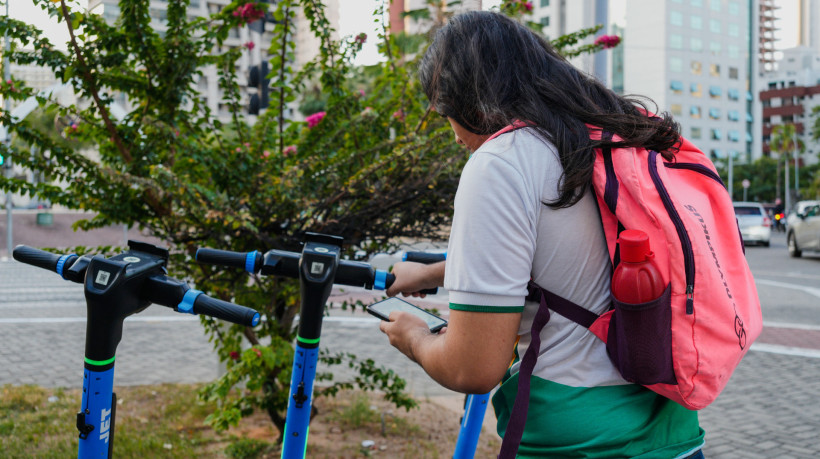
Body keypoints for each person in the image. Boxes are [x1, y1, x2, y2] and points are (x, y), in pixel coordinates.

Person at [379, 11, 705, 458]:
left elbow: (473, 367)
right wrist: (429, 273)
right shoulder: (610, 138)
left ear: (468, 102)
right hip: (672, 430)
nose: (453, 133)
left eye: (444, 113)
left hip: (580, 439)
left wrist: (414, 338)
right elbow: (570, 254)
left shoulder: (502, 162)